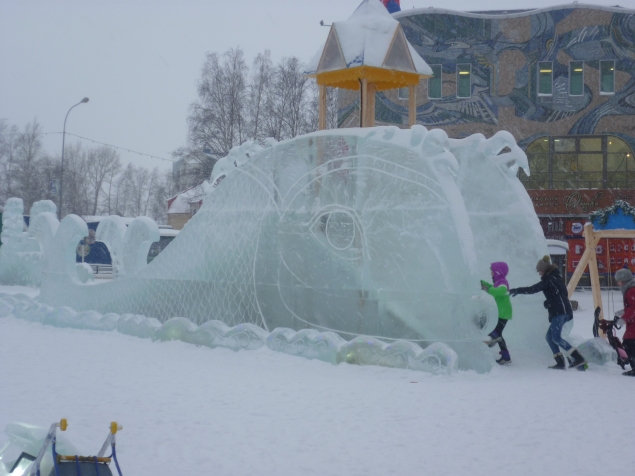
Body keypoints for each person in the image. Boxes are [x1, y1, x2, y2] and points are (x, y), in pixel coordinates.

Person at [509, 255, 587, 370]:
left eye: (539, 270)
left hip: (559, 312)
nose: (539, 273)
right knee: (549, 337)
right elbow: (562, 294)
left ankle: (577, 357)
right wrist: (549, 302)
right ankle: (560, 362)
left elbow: (533, 289)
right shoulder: (557, 278)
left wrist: (518, 290)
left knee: (556, 338)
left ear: (544, 270)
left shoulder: (549, 279)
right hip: (563, 311)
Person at [481, 262, 512, 365]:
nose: (491, 273)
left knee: (495, 333)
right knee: (497, 333)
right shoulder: (499, 282)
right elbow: (492, 287)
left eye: (492, 271)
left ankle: (486, 347)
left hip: (503, 313)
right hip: (501, 313)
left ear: (498, 272)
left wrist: (488, 289)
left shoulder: (503, 282)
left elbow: (500, 291)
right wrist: (482, 283)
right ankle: (505, 356)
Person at [614, 268, 635, 376]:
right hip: (632, 322)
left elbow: (633, 308)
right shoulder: (630, 289)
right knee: (629, 343)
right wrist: (622, 312)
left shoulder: (631, 290)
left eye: (618, 281)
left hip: (633, 323)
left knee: (629, 343)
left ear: (623, 280)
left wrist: (623, 318)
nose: (617, 283)